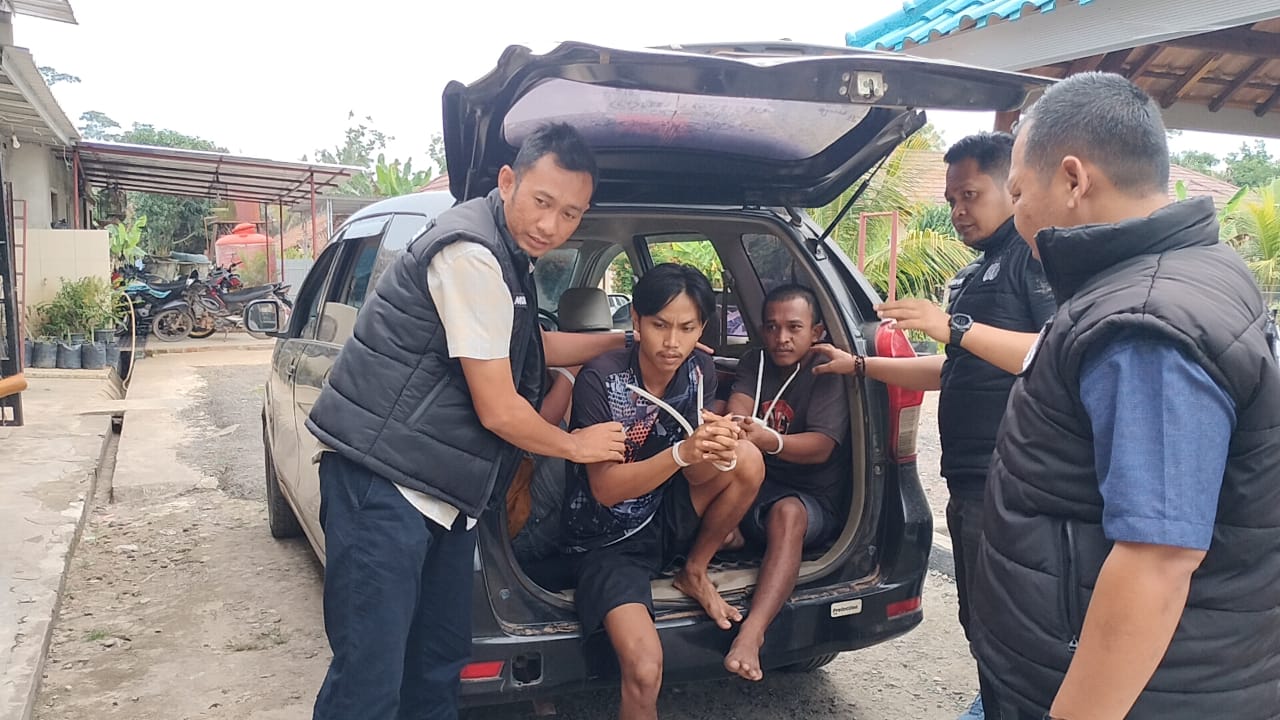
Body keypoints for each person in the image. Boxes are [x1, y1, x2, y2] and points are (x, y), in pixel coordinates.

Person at [975, 72, 1280, 719]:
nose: (1017, 213)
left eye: (1018, 192)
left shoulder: (1144, 321)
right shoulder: (1188, 270)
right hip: (1079, 667)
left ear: (1073, 179)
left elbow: (1158, 558)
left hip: (1143, 694)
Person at [304, 122, 630, 720]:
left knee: (436, 667)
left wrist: (625, 340)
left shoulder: (508, 257)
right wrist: (576, 446)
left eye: (570, 214)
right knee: (369, 681)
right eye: (542, 201)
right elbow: (499, 408)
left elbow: (528, 345)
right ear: (507, 182)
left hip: (444, 496)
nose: (551, 225)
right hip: (384, 486)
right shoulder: (471, 254)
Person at [814, 131, 1054, 718]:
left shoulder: (1032, 258)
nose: (958, 211)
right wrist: (860, 365)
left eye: (970, 195)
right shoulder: (981, 270)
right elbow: (955, 368)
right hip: (972, 480)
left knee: (1012, 623)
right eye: (951, 200)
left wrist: (953, 326)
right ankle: (995, 700)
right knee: (981, 618)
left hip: (1014, 479)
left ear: (1012, 187)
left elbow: (1056, 351)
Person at [561, 262, 765, 720]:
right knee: (644, 669)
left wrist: (714, 448)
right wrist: (682, 454)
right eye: (659, 325)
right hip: (606, 541)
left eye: (687, 328)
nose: (672, 342)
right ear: (635, 320)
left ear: (702, 329)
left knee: (747, 457)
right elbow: (605, 490)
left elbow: (695, 475)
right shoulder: (602, 378)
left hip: (663, 511)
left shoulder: (699, 370)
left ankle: (694, 570)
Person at [719, 283, 849, 682]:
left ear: (817, 331)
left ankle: (752, 633)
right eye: (772, 327)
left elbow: (821, 447)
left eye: (794, 327)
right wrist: (736, 423)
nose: (781, 337)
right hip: (758, 486)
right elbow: (739, 405)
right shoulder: (755, 361)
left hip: (811, 498)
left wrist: (769, 440)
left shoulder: (824, 368)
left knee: (787, 514)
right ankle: (726, 541)